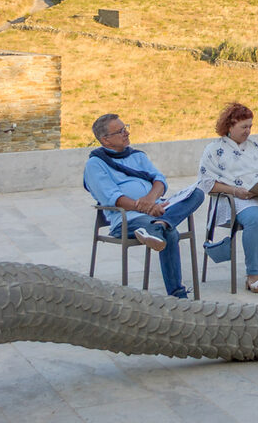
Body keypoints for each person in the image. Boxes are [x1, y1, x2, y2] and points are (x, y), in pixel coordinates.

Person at [84, 114, 205, 299]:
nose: (127, 133)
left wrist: (150, 199)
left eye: (126, 127)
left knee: (197, 194)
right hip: (128, 219)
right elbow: (112, 198)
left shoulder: (137, 156)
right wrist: (145, 208)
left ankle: (159, 225)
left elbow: (159, 180)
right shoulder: (95, 164)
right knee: (170, 233)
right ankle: (178, 296)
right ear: (105, 139)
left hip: (156, 209)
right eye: (120, 131)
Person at [197, 102, 258, 294]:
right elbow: (207, 184)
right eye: (244, 127)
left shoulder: (257, 146)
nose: (248, 131)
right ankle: (252, 273)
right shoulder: (213, 149)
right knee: (256, 219)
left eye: (250, 126)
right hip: (235, 198)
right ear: (229, 126)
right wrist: (236, 191)